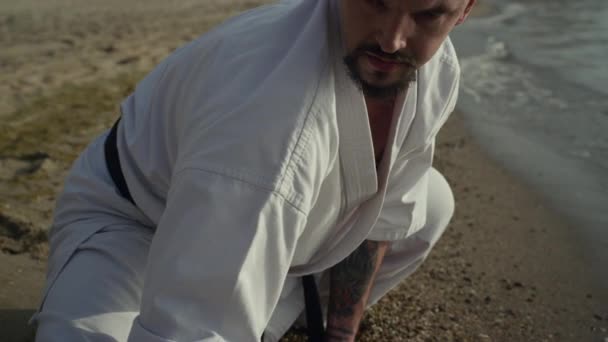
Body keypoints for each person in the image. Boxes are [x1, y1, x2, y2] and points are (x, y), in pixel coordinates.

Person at [33, 0, 476, 341]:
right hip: (135, 223)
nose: (392, 39)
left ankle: (263, 305)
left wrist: (337, 334)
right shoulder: (269, 122)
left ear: (464, 10)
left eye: (428, 12)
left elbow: (385, 215)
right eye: (374, 0)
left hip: (271, 218)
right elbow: (191, 331)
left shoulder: (436, 66)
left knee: (431, 202)